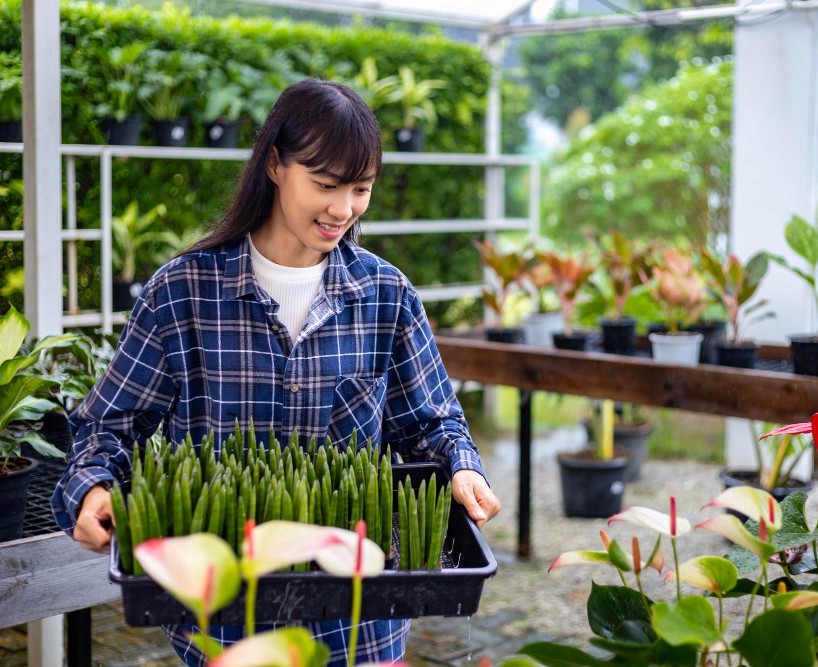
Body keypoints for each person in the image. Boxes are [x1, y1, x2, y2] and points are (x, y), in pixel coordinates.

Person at [52, 78, 501, 666]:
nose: (344, 209)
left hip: (362, 628)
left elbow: (431, 423)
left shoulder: (386, 294)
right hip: (225, 629)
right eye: (325, 185)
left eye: (361, 189)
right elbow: (107, 427)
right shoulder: (183, 293)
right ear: (274, 165)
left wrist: (463, 467)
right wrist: (91, 490)